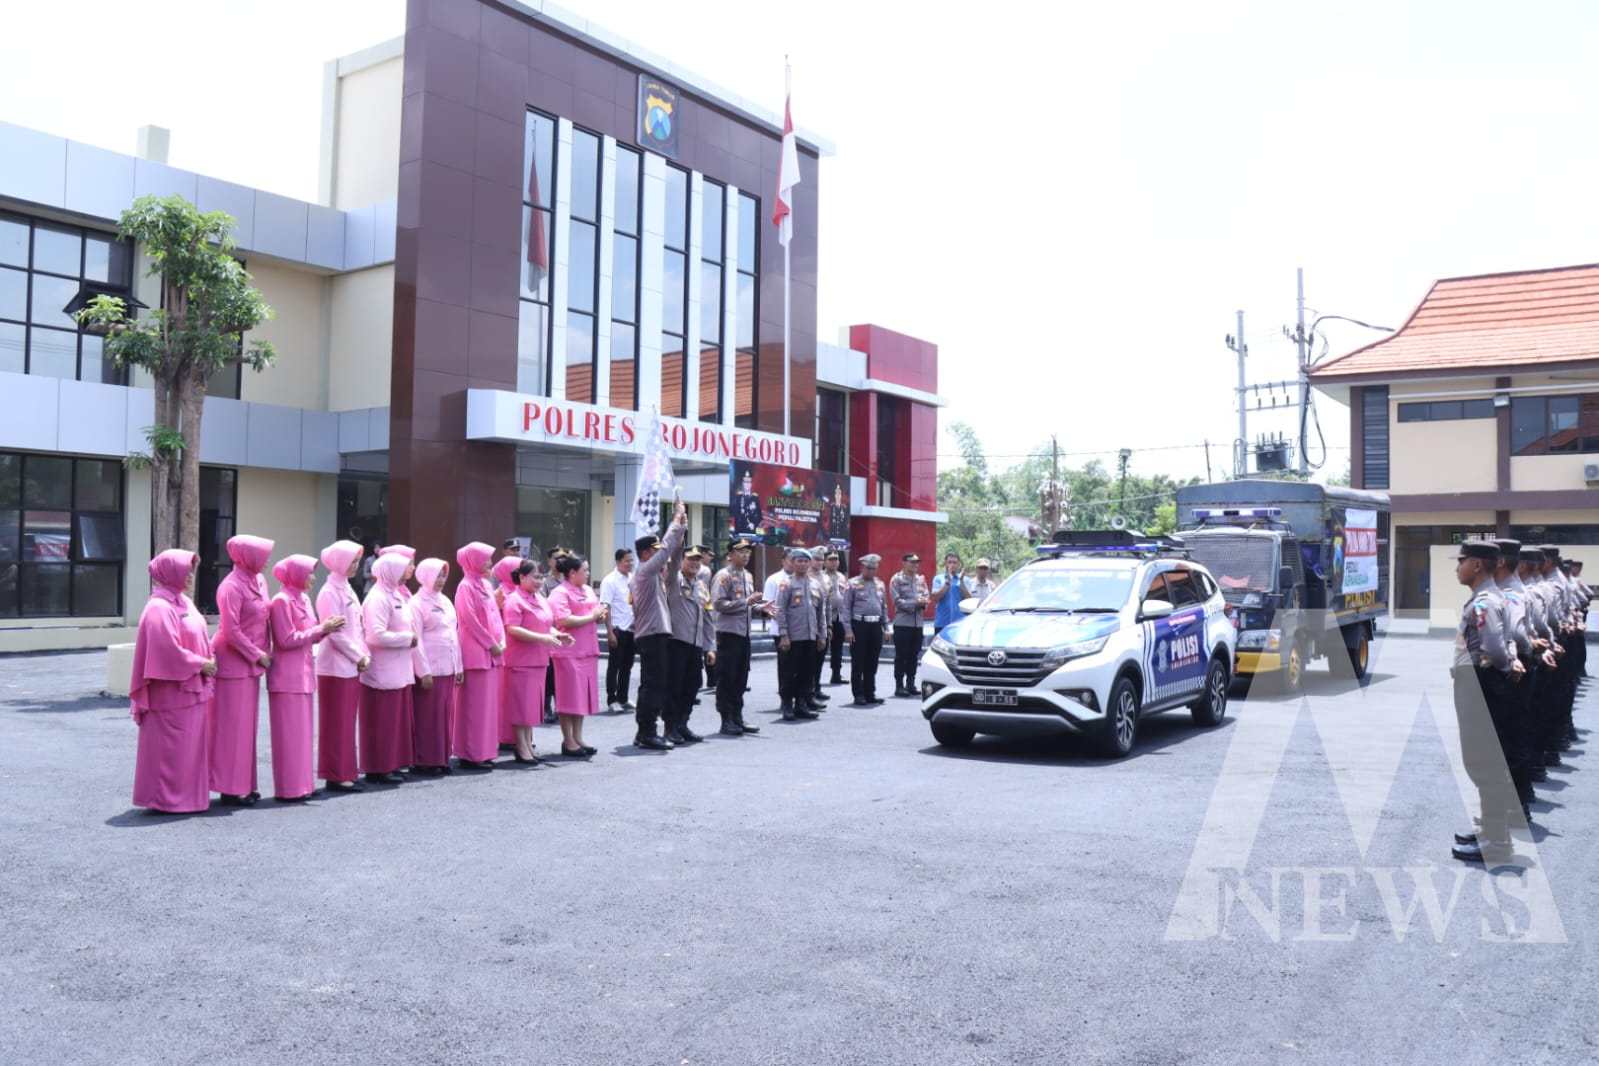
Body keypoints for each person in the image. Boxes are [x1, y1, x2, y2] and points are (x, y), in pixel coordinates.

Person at [1451, 540, 1523, 865]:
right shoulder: (1495, 597)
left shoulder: (1484, 602)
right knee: (1485, 761)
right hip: (1480, 684)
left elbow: (1494, 646)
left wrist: (1506, 666)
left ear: (1477, 565)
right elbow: (1506, 640)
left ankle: (1496, 842)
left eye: (1462, 560)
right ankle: (1491, 832)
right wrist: (1510, 661)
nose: (1458, 566)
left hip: (1479, 685)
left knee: (1482, 762)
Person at [129, 550, 217, 814]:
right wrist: (201, 663)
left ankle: (188, 798)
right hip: (171, 692)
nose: (190, 576)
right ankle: (165, 800)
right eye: (185, 570)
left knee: (188, 748)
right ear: (170, 572)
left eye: (191, 571)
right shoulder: (159, 607)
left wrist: (207, 658)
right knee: (171, 748)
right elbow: (167, 649)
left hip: (191, 688)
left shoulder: (183, 602)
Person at [267, 554, 343, 803]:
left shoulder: (304, 599)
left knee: (302, 735)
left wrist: (325, 629)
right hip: (287, 676)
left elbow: (310, 634)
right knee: (289, 736)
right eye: (309, 573)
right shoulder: (281, 601)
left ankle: (302, 784)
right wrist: (322, 629)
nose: (312, 578)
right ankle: (288, 788)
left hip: (303, 674)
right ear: (297, 574)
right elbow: (285, 639)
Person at [210, 534, 276, 807]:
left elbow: (265, 617)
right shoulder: (231, 587)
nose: (267, 560)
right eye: (262, 555)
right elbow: (230, 630)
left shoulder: (258, 580)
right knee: (232, 729)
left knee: (247, 728)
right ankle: (230, 787)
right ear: (247, 557)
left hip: (252, 666)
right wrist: (257, 654)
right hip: (233, 664)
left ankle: (245, 783)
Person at [629, 500, 688, 750]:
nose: (658, 555)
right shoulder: (643, 572)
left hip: (657, 634)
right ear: (645, 554)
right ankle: (646, 732)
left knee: (656, 683)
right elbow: (665, 551)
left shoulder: (654, 575)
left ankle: (647, 731)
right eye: (654, 552)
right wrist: (676, 519)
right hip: (651, 634)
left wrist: (681, 531)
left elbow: (673, 561)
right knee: (652, 685)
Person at [360, 553, 422, 786]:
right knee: (382, 721)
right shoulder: (377, 597)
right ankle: (378, 767)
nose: (408, 571)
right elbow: (375, 635)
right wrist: (407, 638)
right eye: (403, 568)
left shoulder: (395, 594)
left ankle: (391, 763)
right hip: (383, 669)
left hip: (398, 667)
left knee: (394, 720)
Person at [503, 559, 572, 763]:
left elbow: (544, 624)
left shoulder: (540, 597)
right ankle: (521, 746)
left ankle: (527, 745)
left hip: (539, 660)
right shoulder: (514, 600)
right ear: (522, 577)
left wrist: (557, 634)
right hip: (520, 660)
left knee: (531, 705)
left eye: (541, 576)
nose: (539, 581)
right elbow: (513, 629)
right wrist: (543, 638)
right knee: (521, 705)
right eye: (535, 576)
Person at [316, 540, 370, 793]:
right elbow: (334, 633)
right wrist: (357, 656)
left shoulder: (347, 588)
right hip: (336, 666)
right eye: (352, 561)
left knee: (347, 721)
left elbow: (357, 627)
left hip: (350, 664)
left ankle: (346, 770)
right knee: (337, 723)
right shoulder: (329, 592)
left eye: (358, 562)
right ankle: (336, 774)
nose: (356, 566)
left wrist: (362, 654)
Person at [454, 542, 506, 770]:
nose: (489, 564)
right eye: (485, 559)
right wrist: (491, 643)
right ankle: (471, 753)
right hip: (476, 652)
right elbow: (469, 620)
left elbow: (495, 615)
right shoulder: (465, 587)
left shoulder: (485, 584)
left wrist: (501, 641)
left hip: (492, 652)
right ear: (474, 561)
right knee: (474, 707)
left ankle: (484, 751)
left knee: (487, 706)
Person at [411, 558, 464, 776]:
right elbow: (416, 640)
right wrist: (423, 671)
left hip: (448, 666)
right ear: (425, 576)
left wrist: (459, 665)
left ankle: (442, 757)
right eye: (437, 575)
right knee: (427, 715)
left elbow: (454, 634)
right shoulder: (416, 603)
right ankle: (425, 759)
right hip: (430, 667)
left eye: (443, 575)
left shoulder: (446, 601)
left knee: (445, 714)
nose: (441, 580)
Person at [549, 554, 604, 757]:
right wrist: (591, 616)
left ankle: (578, 736)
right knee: (568, 696)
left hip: (588, 649)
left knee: (582, 696)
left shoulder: (587, 590)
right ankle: (568, 739)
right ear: (572, 573)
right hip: (569, 651)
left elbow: (594, 611)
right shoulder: (559, 593)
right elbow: (564, 620)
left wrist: (599, 615)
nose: (588, 574)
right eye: (585, 570)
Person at [712, 538, 764, 736]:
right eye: (741, 551)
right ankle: (726, 720)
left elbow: (747, 604)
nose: (745, 555)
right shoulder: (723, 576)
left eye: (748, 552)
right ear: (730, 554)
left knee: (741, 678)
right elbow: (718, 604)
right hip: (728, 634)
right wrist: (746, 602)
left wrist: (760, 608)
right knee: (727, 678)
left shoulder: (748, 576)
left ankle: (738, 717)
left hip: (744, 634)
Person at [665, 547, 712, 745]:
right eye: (690, 559)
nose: (694, 563)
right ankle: (670, 727)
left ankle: (683, 723)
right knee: (674, 687)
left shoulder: (701, 585)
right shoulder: (674, 580)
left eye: (698, 560)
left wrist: (711, 646)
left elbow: (708, 616)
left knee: (693, 685)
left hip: (696, 643)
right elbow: (671, 563)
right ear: (682, 561)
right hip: (676, 641)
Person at [773, 547, 825, 721]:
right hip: (793, 637)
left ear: (810, 563)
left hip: (810, 636)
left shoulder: (816, 584)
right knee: (789, 672)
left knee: (807, 672)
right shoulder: (786, 584)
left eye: (805, 561)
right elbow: (780, 610)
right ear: (792, 563)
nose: (802, 564)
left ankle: (802, 704)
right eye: (799, 561)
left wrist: (822, 635)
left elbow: (821, 613)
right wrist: (784, 634)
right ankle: (787, 705)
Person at [843, 554, 889, 707]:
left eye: (874, 568)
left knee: (872, 661)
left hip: (875, 626)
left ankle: (870, 692)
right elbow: (846, 608)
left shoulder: (880, 584)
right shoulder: (853, 583)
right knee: (858, 662)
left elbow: (884, 608)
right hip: (859, 625)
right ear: (862, 567)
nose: (871, 571)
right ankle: (858, 694)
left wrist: (886, 627)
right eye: (868, 568)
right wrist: (848, 630)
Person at [600, 548, 636, 712]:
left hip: (631, 629)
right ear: (618, 561)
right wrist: (609, 632)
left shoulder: (632, 578)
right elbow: (606, 606)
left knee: (627, 666)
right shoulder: (609, 580)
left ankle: (623, 697)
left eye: (631, 560)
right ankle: (611, 699)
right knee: (614, 665)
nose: (630, 563)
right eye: (627, 560)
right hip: (617, 628)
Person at [889, 553, 930, 698]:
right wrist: (915, 604)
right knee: (901, 656)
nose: (915, 565)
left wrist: (924, 601)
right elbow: (897, 601)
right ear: (904, 563)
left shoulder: (921, 579)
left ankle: (910, 683)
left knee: (914, 655)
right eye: (912, 562)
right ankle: (899, 685)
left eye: (917, 562)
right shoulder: (897, 579)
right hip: (902, 623)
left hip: (917, 624)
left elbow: (926, 596)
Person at [821, 551, 848, 687]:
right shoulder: (820, 576)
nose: (834, 562)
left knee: (838, 648)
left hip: (839, 617)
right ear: (824, 561)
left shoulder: (841, 577)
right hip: (825, 618)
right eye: (831, 559)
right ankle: (815, 679)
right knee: (822, 648)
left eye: (836, 559)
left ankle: (836, 674)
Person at [930, 552, 970, 632]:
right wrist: (947, 582)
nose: (952, 565)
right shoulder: (938, 579)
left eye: (955, 562)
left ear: (959, 564)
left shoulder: (965, 579)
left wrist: (961, 582)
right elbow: (935, 598)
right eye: (950, 562)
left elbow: (969, 600)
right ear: (945, 564)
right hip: (942, 623)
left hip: (960, 623)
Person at [734, 469, 762, 533]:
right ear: (743, 484)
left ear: (751, 484)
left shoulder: (755, 498)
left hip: (752, 531)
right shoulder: (738, 497)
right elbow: (736, 514)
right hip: (740, 530)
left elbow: (759, 515)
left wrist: (754, 524)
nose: (747, 484)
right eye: (745, 482)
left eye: (749, 482)